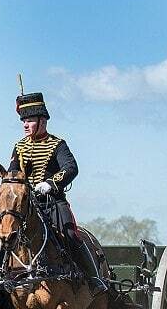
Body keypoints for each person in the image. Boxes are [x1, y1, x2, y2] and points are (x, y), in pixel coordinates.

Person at [7, 91, 108, 295]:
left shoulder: (57, 144)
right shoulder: (19, 147)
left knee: (71, 235)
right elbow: (12, 174)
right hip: (26, 204)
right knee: (5, 231)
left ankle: (94, 278)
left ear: (42, 120)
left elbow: (71, 168)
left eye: (29, 120)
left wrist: (50, 184)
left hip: (52, 202)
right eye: (23, 121)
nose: (25, 125)